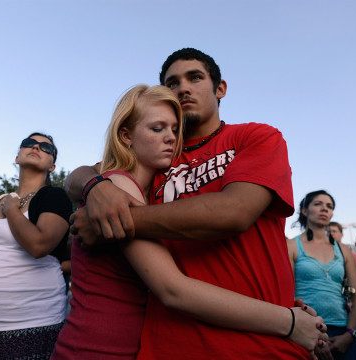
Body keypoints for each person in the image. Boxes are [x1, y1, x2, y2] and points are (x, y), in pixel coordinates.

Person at [66, 48, 319, 359]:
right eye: (172, 82)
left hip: (264, 342)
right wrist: (92, 187)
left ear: (220, 88)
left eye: (195, 77)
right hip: (172, 344)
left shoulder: (255, 136)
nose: (183, 87)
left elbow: (234, 212)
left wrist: (109, 221)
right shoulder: (156, 160)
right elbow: (85, 174)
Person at [0, 132, 72, 360]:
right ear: (17, 157)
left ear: (52, 166)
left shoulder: (54, 196)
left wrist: (11, 209)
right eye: (29, 144)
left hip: (34, 324)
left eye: (46, 148)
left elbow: (39, 245)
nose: (36, 147)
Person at [287, 190, 356, 360]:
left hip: (342, 331)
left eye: (329, 206)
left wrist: (350, 334)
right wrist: (308, 333)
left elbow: (355, 295)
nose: (324, 209)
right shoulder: (292, 245)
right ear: (305, 211)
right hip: (305, 330)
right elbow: (286, 293)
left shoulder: (343, 250)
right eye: (318, 204)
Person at [329, 222, 356, 360]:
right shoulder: (320, 258)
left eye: (334, 231)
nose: (331, 234)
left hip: (355, 305)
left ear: (341, 234)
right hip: (334, 309)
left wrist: (352, 283)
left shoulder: (354, 256)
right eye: (329, 231)